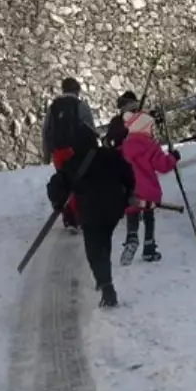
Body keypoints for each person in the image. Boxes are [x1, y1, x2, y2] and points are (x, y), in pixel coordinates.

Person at [46, 121, 135, 307]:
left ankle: (105, 285)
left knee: (94, 250)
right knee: (104, 242)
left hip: (90, 212)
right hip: (113, 209)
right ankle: (105, 279)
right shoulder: (112, 155)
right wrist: (127, 195)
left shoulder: (73, 162)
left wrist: (58, 203)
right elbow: (129, 176)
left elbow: (58, 184)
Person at [113, 92, 180, 263]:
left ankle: (132, 237)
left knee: (132, 212)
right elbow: (163, 165)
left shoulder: (125, 146)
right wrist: (174, 157)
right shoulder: (151, 146)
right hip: (148, 190)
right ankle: (149, 247)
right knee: (149, 215)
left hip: (131, 189)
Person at [41, 77, 96, 231]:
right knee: (79, 181)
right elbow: (90, 129)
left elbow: (46, 131)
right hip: (76, 150)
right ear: (77, 90)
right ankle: (78, 217)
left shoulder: (54, 107)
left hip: (58, 151)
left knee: (63, 181)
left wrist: (47, 153)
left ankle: (69, 217)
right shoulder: (81, 105)